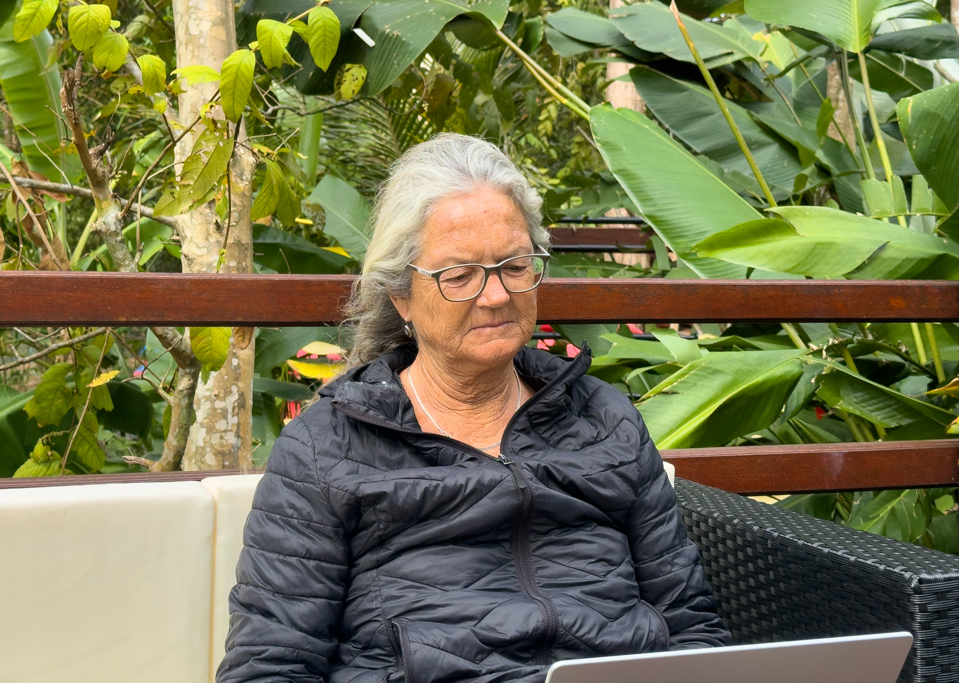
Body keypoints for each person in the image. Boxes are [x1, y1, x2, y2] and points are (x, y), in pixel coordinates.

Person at [217, 133, 731, 683]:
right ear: (401, 295)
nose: (495, 296)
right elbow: (270, 667)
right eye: (459, 276)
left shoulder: (603, 420)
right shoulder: (327, 449)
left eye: (514, 265)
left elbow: (690, 624)